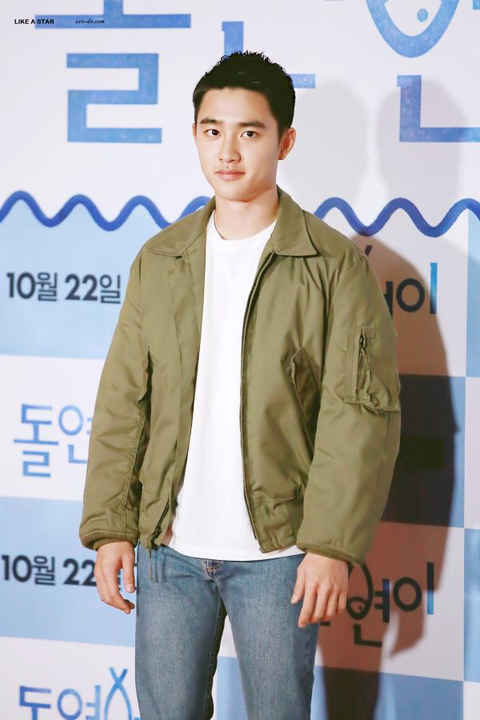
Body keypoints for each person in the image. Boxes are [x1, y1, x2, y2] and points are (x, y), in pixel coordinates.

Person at [79, 50, 401, 720]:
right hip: (168, 551)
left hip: (279, 556)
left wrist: (330, 546)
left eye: (249, 132)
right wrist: (112, 528)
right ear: (195, 135)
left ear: (284, 141)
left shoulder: (334, 265)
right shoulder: (161, 258)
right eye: (212, 130)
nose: (228, 151)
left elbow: (358, 415)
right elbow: (122, 403)